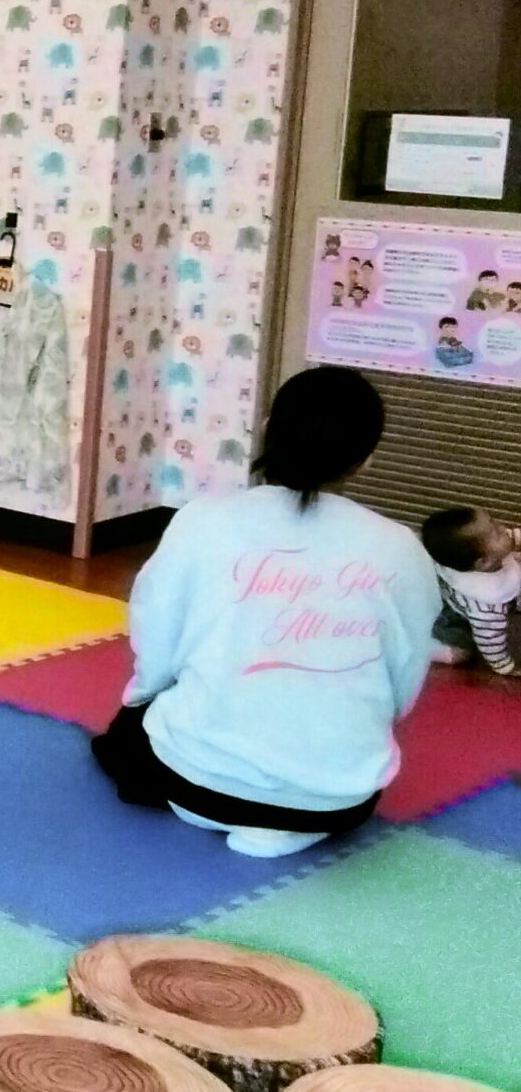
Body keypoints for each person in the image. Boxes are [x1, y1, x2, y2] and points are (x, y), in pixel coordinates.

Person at [92, 366, 438, 857]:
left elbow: (156, 634)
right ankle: (282, 826)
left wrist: (145, 694)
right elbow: (406, 671)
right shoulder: (402, 548)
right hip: (337, 802)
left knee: (124, 735)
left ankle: (231, 812)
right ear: (366, 460)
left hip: (196, 783)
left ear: (268, 428)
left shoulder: (203, 520)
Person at [420, 506, 520, 676]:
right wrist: (504, 666)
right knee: (462, 653)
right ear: (484, 563)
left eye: (494, 522)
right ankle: (425, 647)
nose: (504, 529)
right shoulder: (487, 609)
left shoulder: (476, 558)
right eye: (497, 533)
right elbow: (490, 641)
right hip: (447, 621)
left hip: (439, 594)